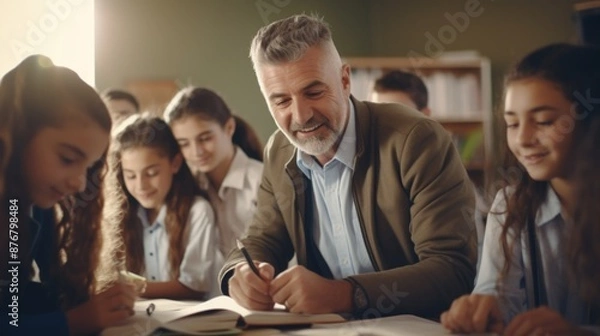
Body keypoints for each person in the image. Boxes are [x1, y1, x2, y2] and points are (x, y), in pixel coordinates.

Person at [218, 14, 477, 319]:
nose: (301, 116)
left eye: (313, 92)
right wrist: (239, 273)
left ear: (344, 80)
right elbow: (262, 239)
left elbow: (452, 270)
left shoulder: (416, 140)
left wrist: (344, 294)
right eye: (281, 102)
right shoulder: (278, 150)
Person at [440, 43, 600, 335]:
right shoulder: (510, 204)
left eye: (544, 121)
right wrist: (481, 309)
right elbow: (496, 292)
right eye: (512, 123)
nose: (523, 139)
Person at [0, 55, 136, 335]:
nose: (78, 182)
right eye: (67, 158)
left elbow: (13, 304)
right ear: (18, 135)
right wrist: (74, 321)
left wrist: (91, 302)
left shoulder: (31, 206)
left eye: (89, 167)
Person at [106, 114, 222, 300]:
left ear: (174, 164)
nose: (141, 186)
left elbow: (194, 286)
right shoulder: (123, 215)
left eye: (151, 173)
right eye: (131, 176)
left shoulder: (197, 211)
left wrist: (130, 288)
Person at [164, 87, 264, 258]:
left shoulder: (262, 180)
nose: (196, 152)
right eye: (184, 143)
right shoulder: (190, 185)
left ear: (229, 128)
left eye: (205, 139)